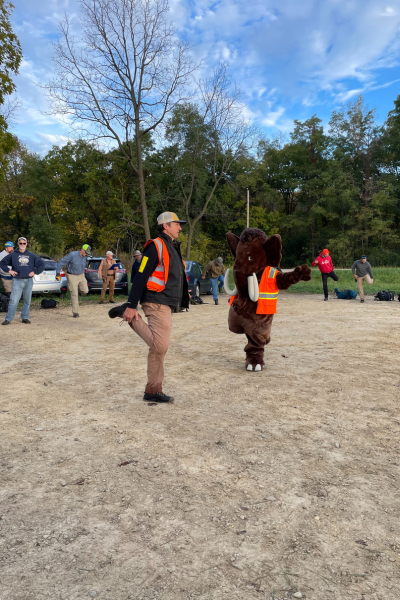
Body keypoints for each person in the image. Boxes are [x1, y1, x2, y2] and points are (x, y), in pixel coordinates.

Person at [108, 211, 189, 404]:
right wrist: (131, 305)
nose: (180, 227)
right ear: (165, 226)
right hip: (155, 301)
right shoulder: (155, 246)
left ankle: (153, 389)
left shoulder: (172, 247)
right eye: (176, 224)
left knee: (158, 350)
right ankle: (129, 316)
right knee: (161, 345)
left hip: (165, 302)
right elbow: (141, 277)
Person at [0, 237, 44, 325]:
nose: (22, 245)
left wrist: (35, 272)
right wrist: (9, 271)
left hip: (28, 281)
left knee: (27, 300)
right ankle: (8, 318)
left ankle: (25, 317)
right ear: (18, 244)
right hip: (17, 280)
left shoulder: (31, 255)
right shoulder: (13, 255)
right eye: (21, 243)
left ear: (26, 244)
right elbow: (2, 263)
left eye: (24, 243)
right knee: (13, 300)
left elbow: (41, 264)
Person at [56, 244, 91, 317]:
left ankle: (75, 289)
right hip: (72, 276)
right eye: (86, 252)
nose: (87, 254)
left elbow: (85, 265)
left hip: (81, 275)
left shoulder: (85, 257)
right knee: (74, 294)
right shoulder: (72, 255)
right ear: (82, 249)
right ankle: (75, 312)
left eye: (88, 253)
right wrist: (57, 273)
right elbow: (61, 262)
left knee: (85, 290)